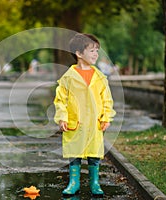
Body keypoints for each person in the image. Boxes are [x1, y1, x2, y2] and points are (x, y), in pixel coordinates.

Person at [54, 33, 116, 197]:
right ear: (79, 54)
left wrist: (106, 117)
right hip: (76, 122)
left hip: (94, 123)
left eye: (97, 50)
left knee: (94, 153)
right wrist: (62, 117)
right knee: (75, 152)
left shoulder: (100, 78)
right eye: (92, 51)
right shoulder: (68, 78)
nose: (96, 54)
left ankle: (94, 182)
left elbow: (106, 100)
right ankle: (74, 182)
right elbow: (60, 100)